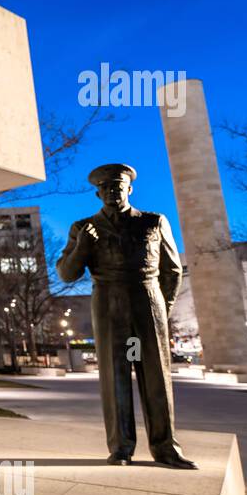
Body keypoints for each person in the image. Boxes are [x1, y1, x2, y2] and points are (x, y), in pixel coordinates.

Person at [56, 163, 196, 468]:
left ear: (129, 189)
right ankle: (120, 447)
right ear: (97, 193)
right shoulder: (83, 228)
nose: (111, 192)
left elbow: (172, 271)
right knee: (114, 377)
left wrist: (162, 309)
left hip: (147, 301)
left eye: (117, 186)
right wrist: (82, 247)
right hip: (108, 304)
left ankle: (166, 446)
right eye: (105, 188)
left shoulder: (153, 222)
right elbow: (66, 274)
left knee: (156, 377)